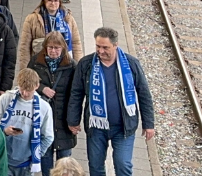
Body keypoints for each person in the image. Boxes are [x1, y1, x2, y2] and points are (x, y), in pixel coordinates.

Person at [66, 28, 155, 176]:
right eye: (98, 46)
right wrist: (73, 120)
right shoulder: (86, 64)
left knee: (123, 165)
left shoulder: (131, 64)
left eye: (105, 47)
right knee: (95, 166)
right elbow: (76, 93)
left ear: (115, 45)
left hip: (123, 127)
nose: (100, 51)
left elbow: (144, 94)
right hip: (96, 127)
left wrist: (149, 124)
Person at [28, 32, 77, 175]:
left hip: (64, 118)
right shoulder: (36, 62)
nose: (53, 51)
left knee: (65, 165)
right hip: (43, 118)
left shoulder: (71, 65)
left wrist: (74, 120)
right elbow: (27, 83)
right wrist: (42, 88)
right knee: (46, 161)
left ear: (63, 48)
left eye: (57, 48)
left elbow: (76, 94)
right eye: (50, 47)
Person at [0, 69, 54, 176]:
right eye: (22, 89)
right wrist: (4, 131)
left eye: (29, 90)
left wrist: (36, 155)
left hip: (26, 163)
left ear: (37, 86)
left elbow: (48, 137)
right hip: (4, 160)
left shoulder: (44, 108)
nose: (25, 94)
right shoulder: (5, 99)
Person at [17, 0, 83, 71]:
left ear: (60, 2)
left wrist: (79, 68)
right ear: (44, 1)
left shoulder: (68, 19)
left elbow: (76, 43)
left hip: (63, 65)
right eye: (50, 0)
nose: (53, 3)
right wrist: (24, 70)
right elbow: (25, 46)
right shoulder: (31, 19)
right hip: (40, 65)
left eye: (56, 1)